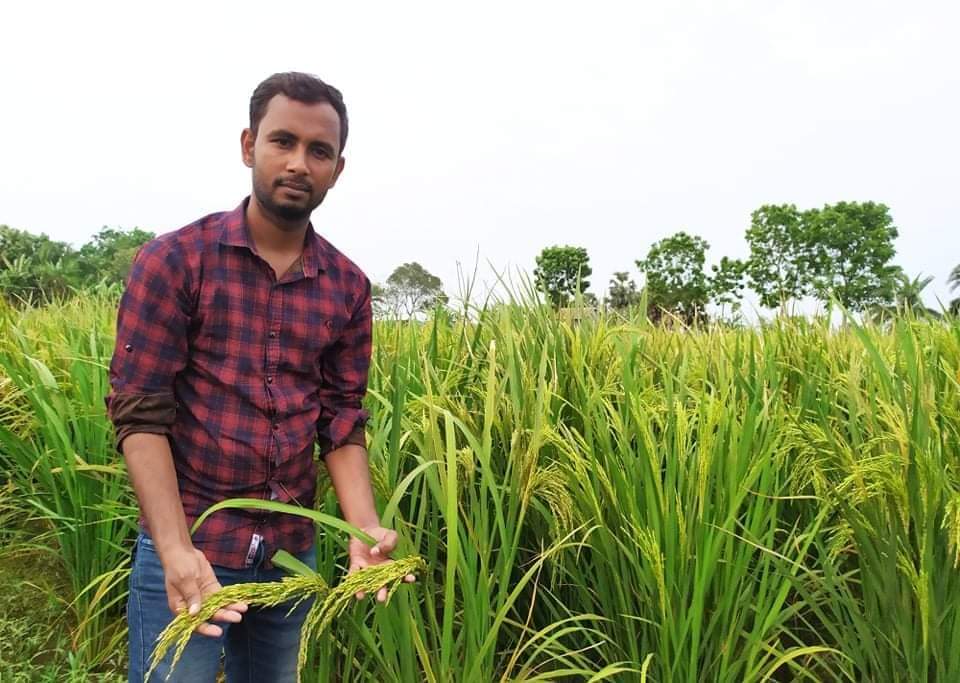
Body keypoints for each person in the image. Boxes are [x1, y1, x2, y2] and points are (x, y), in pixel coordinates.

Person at [106, 71, 415, 682]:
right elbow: (140, 415)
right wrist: (174, 549)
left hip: (289, 555)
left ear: (337, 168)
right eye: (283, 141)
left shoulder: (348, 287)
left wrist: (362, 531)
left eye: (318, 150)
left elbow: (342, 420)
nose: (299, 162)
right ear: (249, 146)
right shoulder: (175, 261)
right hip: (191, 549)